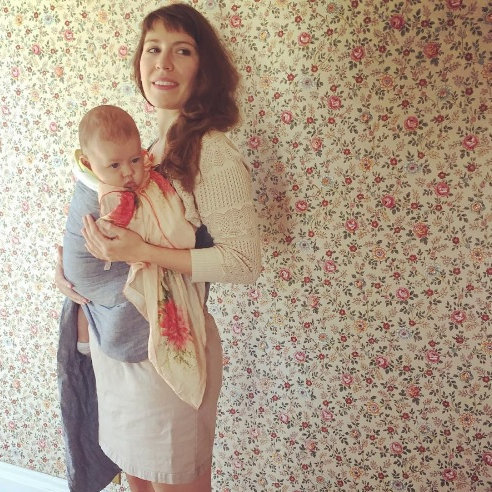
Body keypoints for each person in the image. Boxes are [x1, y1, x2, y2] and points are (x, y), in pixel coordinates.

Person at [55, 3, 261, 492]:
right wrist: (70, 269)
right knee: (138, 478)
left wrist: (140, 252)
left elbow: (243, 263)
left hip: (170, 355)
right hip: (122, 347)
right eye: (153, 49)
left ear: (203, 68)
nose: (163, 63)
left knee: (173, 482)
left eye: (182, 50)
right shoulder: (145, 150)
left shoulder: (212, 152)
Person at [69, 104, 208, 409]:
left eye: (134, 159)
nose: (129, 172)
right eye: (114, 165)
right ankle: (84, 332)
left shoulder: (155, 171)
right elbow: (90, 225)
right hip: (88, 294)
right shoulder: (97, 187)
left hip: (111, 306)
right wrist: (64, 262)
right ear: (88, 163)